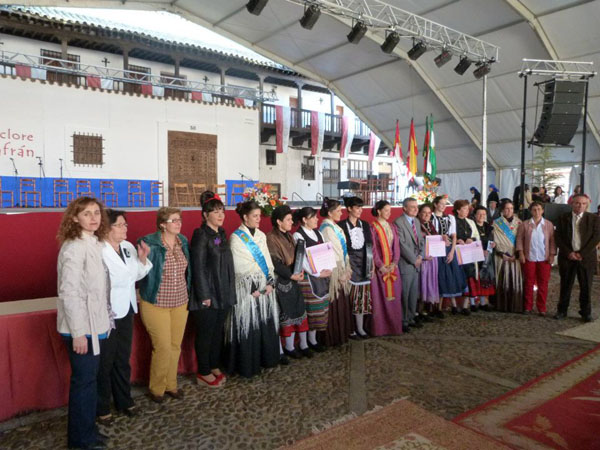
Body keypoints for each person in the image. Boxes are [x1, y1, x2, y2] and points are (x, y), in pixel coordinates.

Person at [57, 197, 111, 450]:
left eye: (97, 213)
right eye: (87, 213)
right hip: (81, 329)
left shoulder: (96, 242)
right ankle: (80, 441)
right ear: (75, 218)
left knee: (90, 383)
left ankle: (87, 432)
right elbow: (69, 293)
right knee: (84, 384)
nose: (93, 217)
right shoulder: (74, 247)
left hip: (96, 325)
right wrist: (78, 333)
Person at [97, 210, 152, 425]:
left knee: (122, 358)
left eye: (125, 225)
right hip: (107, 313)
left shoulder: (128, 248)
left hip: (127, 309)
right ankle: (102, 407)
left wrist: (142, 259)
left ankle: (124, 400)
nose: (125, 229)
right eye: (120, 225)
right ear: (107, 228)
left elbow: (135, 276)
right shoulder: (98, 250)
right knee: (106, 361)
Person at [138, 207, 191, 403]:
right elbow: (141, 270)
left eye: (179, 220)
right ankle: (157, 388)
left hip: (180, 301)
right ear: (162, 224)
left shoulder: (182, 241)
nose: (178, 223)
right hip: (156, 302)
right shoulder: (149, 243)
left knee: (175, 345)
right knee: (162, 347)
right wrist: (142, 258)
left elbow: (188, 271)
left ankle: (171, 384)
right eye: (173, 220)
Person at [228, 200, 281, 376]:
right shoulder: (236, 238)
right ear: (245, 217)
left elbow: (267, 261)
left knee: (264, 324)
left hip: (265, 286)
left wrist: (270, 283)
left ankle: (266, 360)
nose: (259, 219)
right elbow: (240, 267)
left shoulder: (261, 235)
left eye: (259, 216)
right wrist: (254, 289)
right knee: (249, 326)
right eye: (255, 216)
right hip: (248, 290)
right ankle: (247, 365)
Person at [189, 192, 236, 388]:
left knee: (217, 332)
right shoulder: (201, 235)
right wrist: (204, 295)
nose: (220, 215)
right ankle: (204, 371)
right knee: (206, 334)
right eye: (215, 212)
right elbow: (198, 267)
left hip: (223, 292)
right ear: (205, 215)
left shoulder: (221, 233)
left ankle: (214, 364)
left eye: (222, 211)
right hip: (208, 294)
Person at [267, 205, 312, 358]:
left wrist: (299, 271)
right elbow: (275, 262)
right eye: (288, 219)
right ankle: (285, 349)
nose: (291, 222)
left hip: (293, 278)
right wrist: (291, 274)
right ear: (279, 222)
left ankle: (299, 345)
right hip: (281, 281)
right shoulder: (271, 238)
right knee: (284, 315)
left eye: (291, 219)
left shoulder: (289, 235)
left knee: (297, 312)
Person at [554, 194, 600, 322]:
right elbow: (558, 237)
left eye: (583, 204)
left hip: (586, 258)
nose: (580, 206)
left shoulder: (594, 219)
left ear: (587, 205)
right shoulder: (563, 218)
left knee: (586, 286)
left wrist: (581, 254)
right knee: (565, 285)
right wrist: (569, 252)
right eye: (577, 203)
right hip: (567, 257)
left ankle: (586, 312)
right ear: (572, 204)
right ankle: (562, 310)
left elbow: (596, 238)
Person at [293, 207, 331, 352]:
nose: (317, 219)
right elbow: (302, 259)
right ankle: (303, 343)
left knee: (320, 308)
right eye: (313, 217)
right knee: (309, 310)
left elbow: (325, 251)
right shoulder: (298, 235)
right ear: (304, 220)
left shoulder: (318, 233)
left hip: (322, 276)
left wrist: (328, 268)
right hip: (308, 278)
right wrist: (316, 273)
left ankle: (313, 340)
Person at [319, 198, 353, 346]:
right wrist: (340, 274)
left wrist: (347, 268)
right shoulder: (327, 229)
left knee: (342, 303)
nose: (341, 212)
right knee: (335, 304)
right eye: (338, 210)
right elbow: (331, 254)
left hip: (342, 267)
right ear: (329, 212)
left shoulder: (335, 227)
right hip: (334, 270)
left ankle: (341, 334)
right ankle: (332, 337)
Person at [339, 196, 372, 339]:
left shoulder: (365, 225)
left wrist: (372, 265)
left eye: (361, 208)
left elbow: (369, 247)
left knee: (361, 300)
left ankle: (360, 328)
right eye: (357, 207)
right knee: (348, 300)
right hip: (349, 266)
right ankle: (350, 329)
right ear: (349, 209)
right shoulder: (340, 225)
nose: (360, 210)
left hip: (364, 265)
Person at [516, 202, 556, 316]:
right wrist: (521, 253)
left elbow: (552, 241)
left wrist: (552, 254)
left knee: (543, 284)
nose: (537, 212)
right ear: (530, 211)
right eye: (534, 209)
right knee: (528, 283)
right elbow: (519, 239)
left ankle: (542, 308)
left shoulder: (548, 224)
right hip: (529, 257)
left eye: (539, 209)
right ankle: (527, 307)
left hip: (544, 258)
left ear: (542, 210)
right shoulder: (524, 224)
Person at [370, 200, 404, 335]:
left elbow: (396, 246)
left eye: (390, 211)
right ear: (378, 211)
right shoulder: (373, 227)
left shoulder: (392, 227)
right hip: (381, 270)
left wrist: (395, 262)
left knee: (395, 299)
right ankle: (380, 328)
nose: (389, 213)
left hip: (392, 268)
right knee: (380, 300)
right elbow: (373, 249)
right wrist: (381, 266)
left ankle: (394, 327)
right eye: (386, 210)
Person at [432, 195, 466, 312]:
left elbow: (454, 236)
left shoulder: (450, 218)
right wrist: (440, 238)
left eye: (444, 204)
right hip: (436, 249)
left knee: (450, 275)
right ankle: (437, 306)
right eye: (441, 204)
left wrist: (452, 251)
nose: (443, 206)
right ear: (436, 204)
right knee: (440, 276)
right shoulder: (431, 217)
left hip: (449, 249)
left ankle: (453, 304)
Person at [395, 198, 424, 332]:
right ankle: (403, 320)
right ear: (404, 208)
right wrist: (413, 259)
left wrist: (421, 256)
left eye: (416, 207)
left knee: (413, 293)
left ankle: (412, 317)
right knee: (405, 293)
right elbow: (402, 244)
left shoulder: (416, 221)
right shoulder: (398, 222)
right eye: (412, 207)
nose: (415, 209)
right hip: (406, 263)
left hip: (416, 262)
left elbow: (421, 241)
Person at [492, 200, 523, 313]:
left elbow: (522, 239)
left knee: (514, 280)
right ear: (502, 210)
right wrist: (501, 253)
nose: (509, 211)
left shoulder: (519, 223)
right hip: (501, 255)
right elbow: (494, 239)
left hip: (515, 256)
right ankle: (501, 305)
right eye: (507, 208)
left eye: (511, 208)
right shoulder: (496, 223)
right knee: (502, 279)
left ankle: (514, 305)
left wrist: (517, 254)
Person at [454, 199, 481, 314]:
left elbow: (477, 236)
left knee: (469, 278)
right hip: (456, 253)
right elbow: (448, 236)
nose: (467, 211)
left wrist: (472, 239)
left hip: (469, 254)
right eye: (464, 209)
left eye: (467, 208)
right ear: (458, 210)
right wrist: (456, 241)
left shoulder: (470, 222)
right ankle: (454, 305)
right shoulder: (452, 221)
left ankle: (465, 305)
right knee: (455, 277)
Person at [418, 203, 441, 317]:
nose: (426, 215)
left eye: (429, 213)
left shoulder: (430, 225)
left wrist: (443, 239)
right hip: (424, 259)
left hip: (433, 258)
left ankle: (431, 307)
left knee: (431, 282)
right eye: (424, 213)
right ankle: (420, 310)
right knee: (423, 283)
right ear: (419, 213)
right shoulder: (417, 225)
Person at [472, 206, 495, 311]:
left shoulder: (489, 227)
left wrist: (492, 245)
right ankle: (472, 303)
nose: (481, 216)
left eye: (484, 214)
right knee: (473, 279)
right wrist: (480, 251)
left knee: (484, 279)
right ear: (475, 215)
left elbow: (491, 240)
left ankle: (482, 302)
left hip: (486, 256)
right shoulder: (471, 226)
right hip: (474, 257)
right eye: (479, 214)